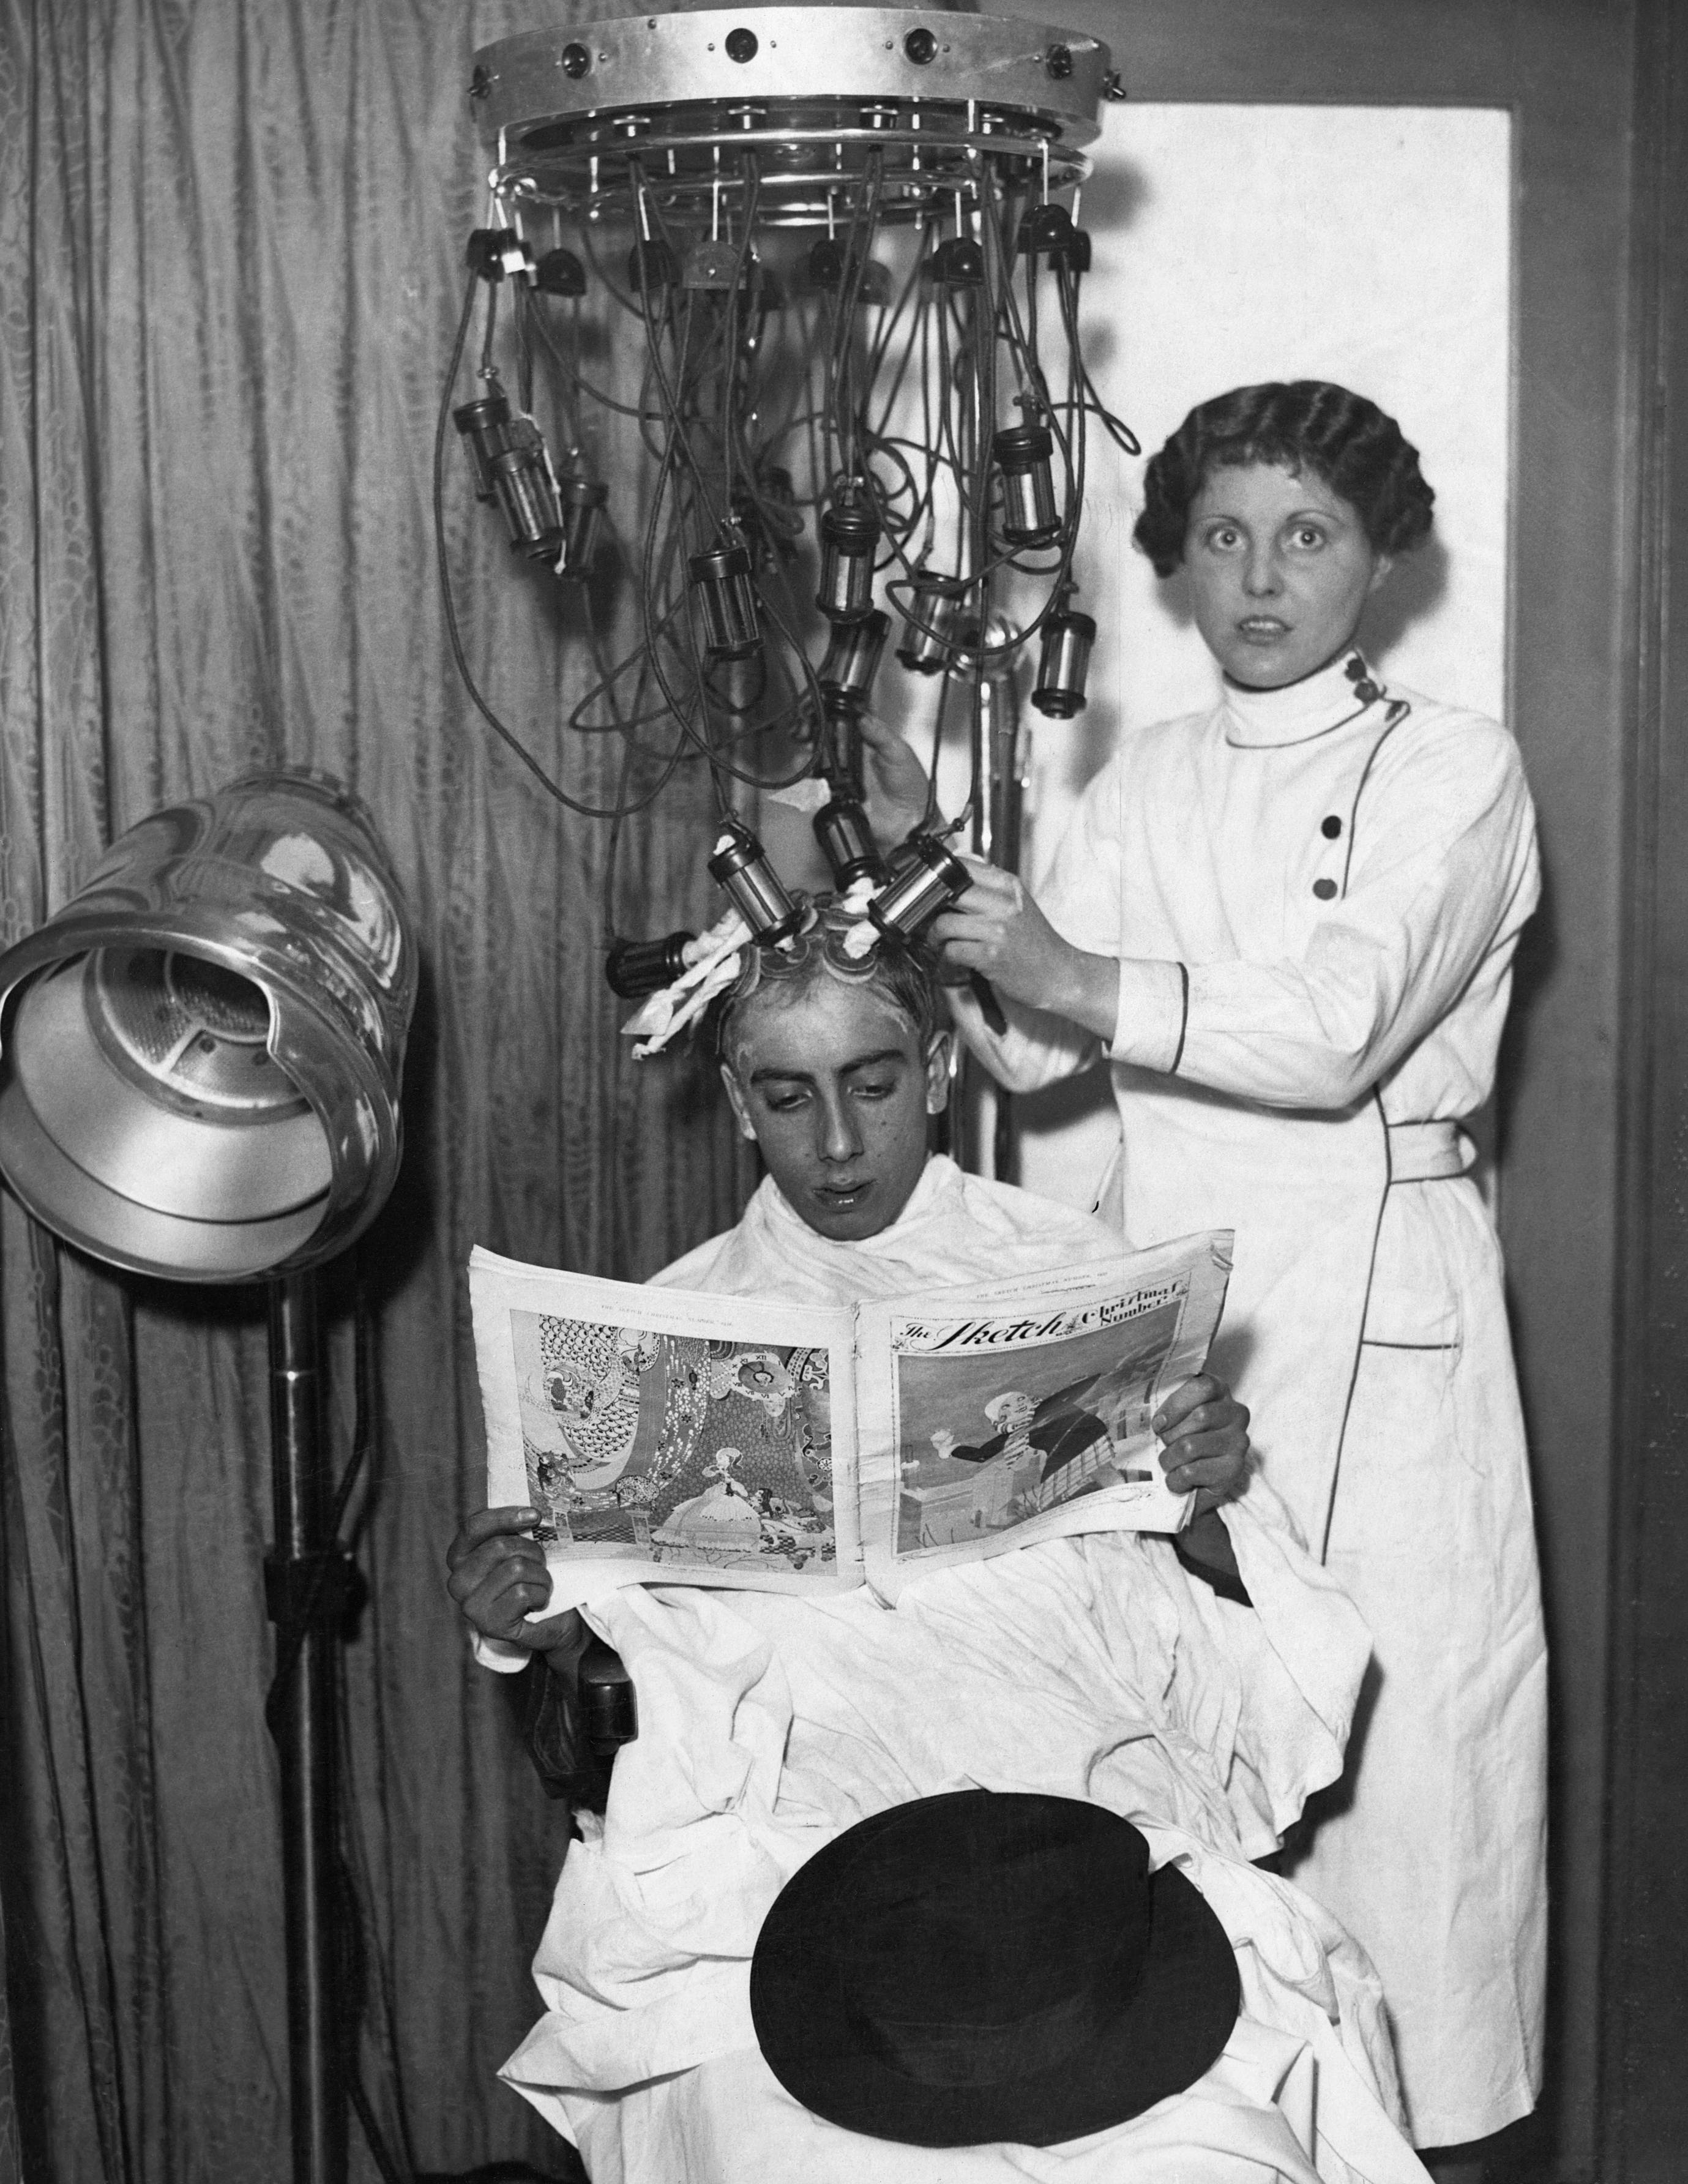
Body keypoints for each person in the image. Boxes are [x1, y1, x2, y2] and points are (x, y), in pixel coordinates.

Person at [447, 899, 1433, 2184]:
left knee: (1212, 2147)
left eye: (872, 1082)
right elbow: (593, 1640)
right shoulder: (665, 1323)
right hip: (795, 1804)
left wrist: (1205, 1494)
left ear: (939, 1069)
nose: (839, 1141)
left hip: (1057, 1767)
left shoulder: (1069, 1268)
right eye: (788, 1097)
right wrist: (517, 1614)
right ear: (738, 1102)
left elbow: (1232, 1608)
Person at [864, 381, 1546, 2171]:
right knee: (1184, 1776)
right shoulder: (1144, 772)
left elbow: (1329, 1038)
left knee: (1406, 1823)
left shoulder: (1452, 767)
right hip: (1169, 1310)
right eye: (1222, 537)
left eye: (1305, 535)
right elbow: (1036, 1064)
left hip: (1382, 1324)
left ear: (1377, 557)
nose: (1259, 578)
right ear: (1171, 565)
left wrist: (1066, 968)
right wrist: (937, 908)